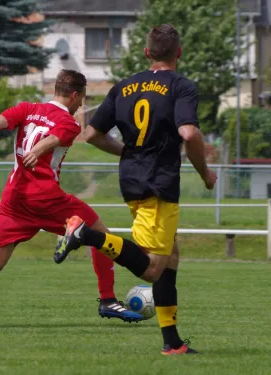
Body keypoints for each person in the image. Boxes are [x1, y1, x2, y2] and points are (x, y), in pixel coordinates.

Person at [53, 24, 217, 355]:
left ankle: (172, 343)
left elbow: (93, 134)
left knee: (170, 256)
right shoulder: (181, 86)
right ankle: (85, 235)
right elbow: (189, 134)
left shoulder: (124, 86)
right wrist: (205, 173)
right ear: (178, 53)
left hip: (130, 179)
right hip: (160, 181)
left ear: (146, 53)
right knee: (153, 266)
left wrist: (127, 152)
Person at [0, 69, 142, 328]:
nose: (81, 103)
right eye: (81, 98)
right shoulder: (70, 122)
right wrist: (37, 150)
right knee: (101, 235)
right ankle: (107, 299)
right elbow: (53, 139)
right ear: (73, 94)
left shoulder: (27, 108)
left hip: (14, 198)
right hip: (46, 198)